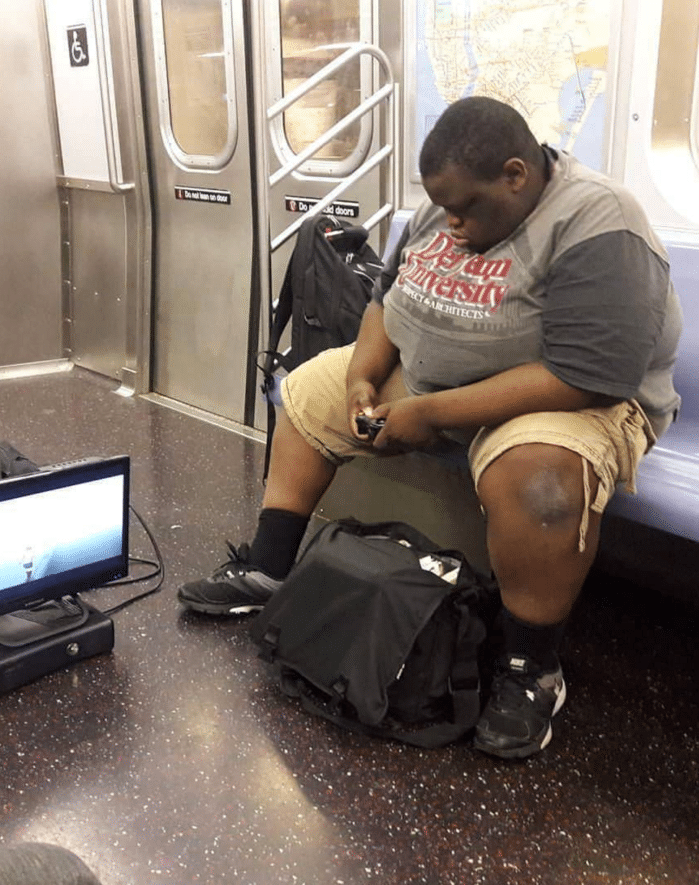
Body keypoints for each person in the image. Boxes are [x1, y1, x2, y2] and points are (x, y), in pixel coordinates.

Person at [178, 96, 682, 759]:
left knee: (539, 483)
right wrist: (361, 379)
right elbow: (384, 303)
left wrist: (432, 412)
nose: (451, 222)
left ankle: (531, 670)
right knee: (308, 390)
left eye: (465, 208)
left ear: (516, 175)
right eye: (442, 207)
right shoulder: (442, 211)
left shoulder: (599, 222)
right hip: (432, 380)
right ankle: (269, 569)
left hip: (560, 399)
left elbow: (589, 375)